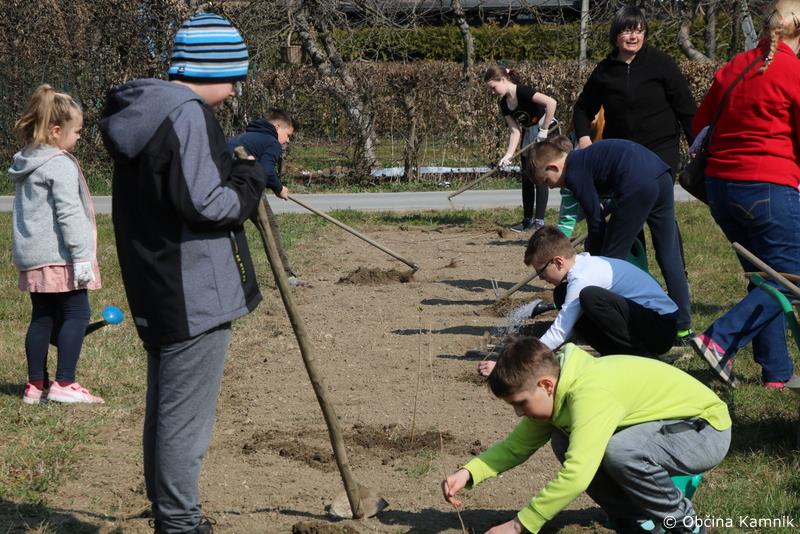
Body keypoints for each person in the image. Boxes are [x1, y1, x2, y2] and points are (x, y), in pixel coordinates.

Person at [99, 12, 266, 534]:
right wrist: (250, 179)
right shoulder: (186, 115)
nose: (235, 90)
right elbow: (208, 204)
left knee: (167, 409)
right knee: (184, 420)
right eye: (234, 77)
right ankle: (180, 523)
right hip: (193, 292)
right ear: (211, 69)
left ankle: (170, 513)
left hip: (159, 285)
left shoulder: (145, 111)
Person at [445, 337, 731, 534]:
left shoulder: (589, 393)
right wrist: (468, 473)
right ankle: (636, 520)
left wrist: (519, 525)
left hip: (704, 430)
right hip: (663, 428)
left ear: (546, 386)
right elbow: (515, 447)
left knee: (621, 451)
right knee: (564, 439)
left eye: (521, 403)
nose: (519, 413)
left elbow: (577, 474)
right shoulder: (557, 395)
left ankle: (684, 523)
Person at [688, 0, 800, 389]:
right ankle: (719, 339)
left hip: (721, 188)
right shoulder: (793, 71)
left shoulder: (735, 65)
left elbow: (700, 125)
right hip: (768, 185)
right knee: (792, 275)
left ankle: (777, 373)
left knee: (765, 276)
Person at [572, 5, 694, 342]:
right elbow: (582, 108)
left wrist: (697, 144)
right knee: (631, 236)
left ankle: (680, 317)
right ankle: (639, 300)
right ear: (616, 35)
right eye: (627, 30)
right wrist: (584, 138)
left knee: (663, 238)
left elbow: (686, 107)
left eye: (639, 30)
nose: (633, 36)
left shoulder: (661, 64)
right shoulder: (605, 71)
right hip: (622, 165)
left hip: (658, 159)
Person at [529, 136, 692, 336]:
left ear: (553, 167)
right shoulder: (584, 159)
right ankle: (683, 328)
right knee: (669, 254)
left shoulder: (573, 172)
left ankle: (616, 323)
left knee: (611, 264)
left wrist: (593, 260)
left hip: (636, 185)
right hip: (660, 174)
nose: (551, 187)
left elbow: (595, 220)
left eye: (547, 181)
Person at [9, 84, 103, 405]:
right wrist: (82, 256)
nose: (79, 137)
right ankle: (65, 382)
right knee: (77, 312)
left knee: (42, 317)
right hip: (60, 256)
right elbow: (69, 213)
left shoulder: (27, 161)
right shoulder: (59, 163)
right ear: (56, 131)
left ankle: (36, 386)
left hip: (34, 257)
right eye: (77, 132)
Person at [478, 226, 678, 377]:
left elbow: (560, 330)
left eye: (541, 272)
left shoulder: (583, 278)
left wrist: (511, 365)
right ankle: (618, 357)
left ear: (558, 262)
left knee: (590, 297)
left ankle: (642, 360)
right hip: (648, 322)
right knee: (562, 294)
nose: (541, 278)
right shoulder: (581, 267)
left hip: (661, 329)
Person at [228, 109, 299, 283]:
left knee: (229, 227)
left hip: (224, 185)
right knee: (269, 228)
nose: (287, 141)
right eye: (288, 135)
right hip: (246, 185)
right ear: (277, 127)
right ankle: (286, 275)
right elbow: (266, 171)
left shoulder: (242, 137)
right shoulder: (271, 142)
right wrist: (279, 188)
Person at [484, 66, 558, 233]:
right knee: (527, 177)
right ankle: (527, 220)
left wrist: (544, 130)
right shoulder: (504, 103)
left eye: (493, 87)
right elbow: (515, 131)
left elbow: (551, 103)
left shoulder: (523, 91)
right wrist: (508, 155)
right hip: (528, 133)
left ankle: (539, 221)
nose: (492, 92)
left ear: (503, 80)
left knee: (539, 175)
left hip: (545, 130)